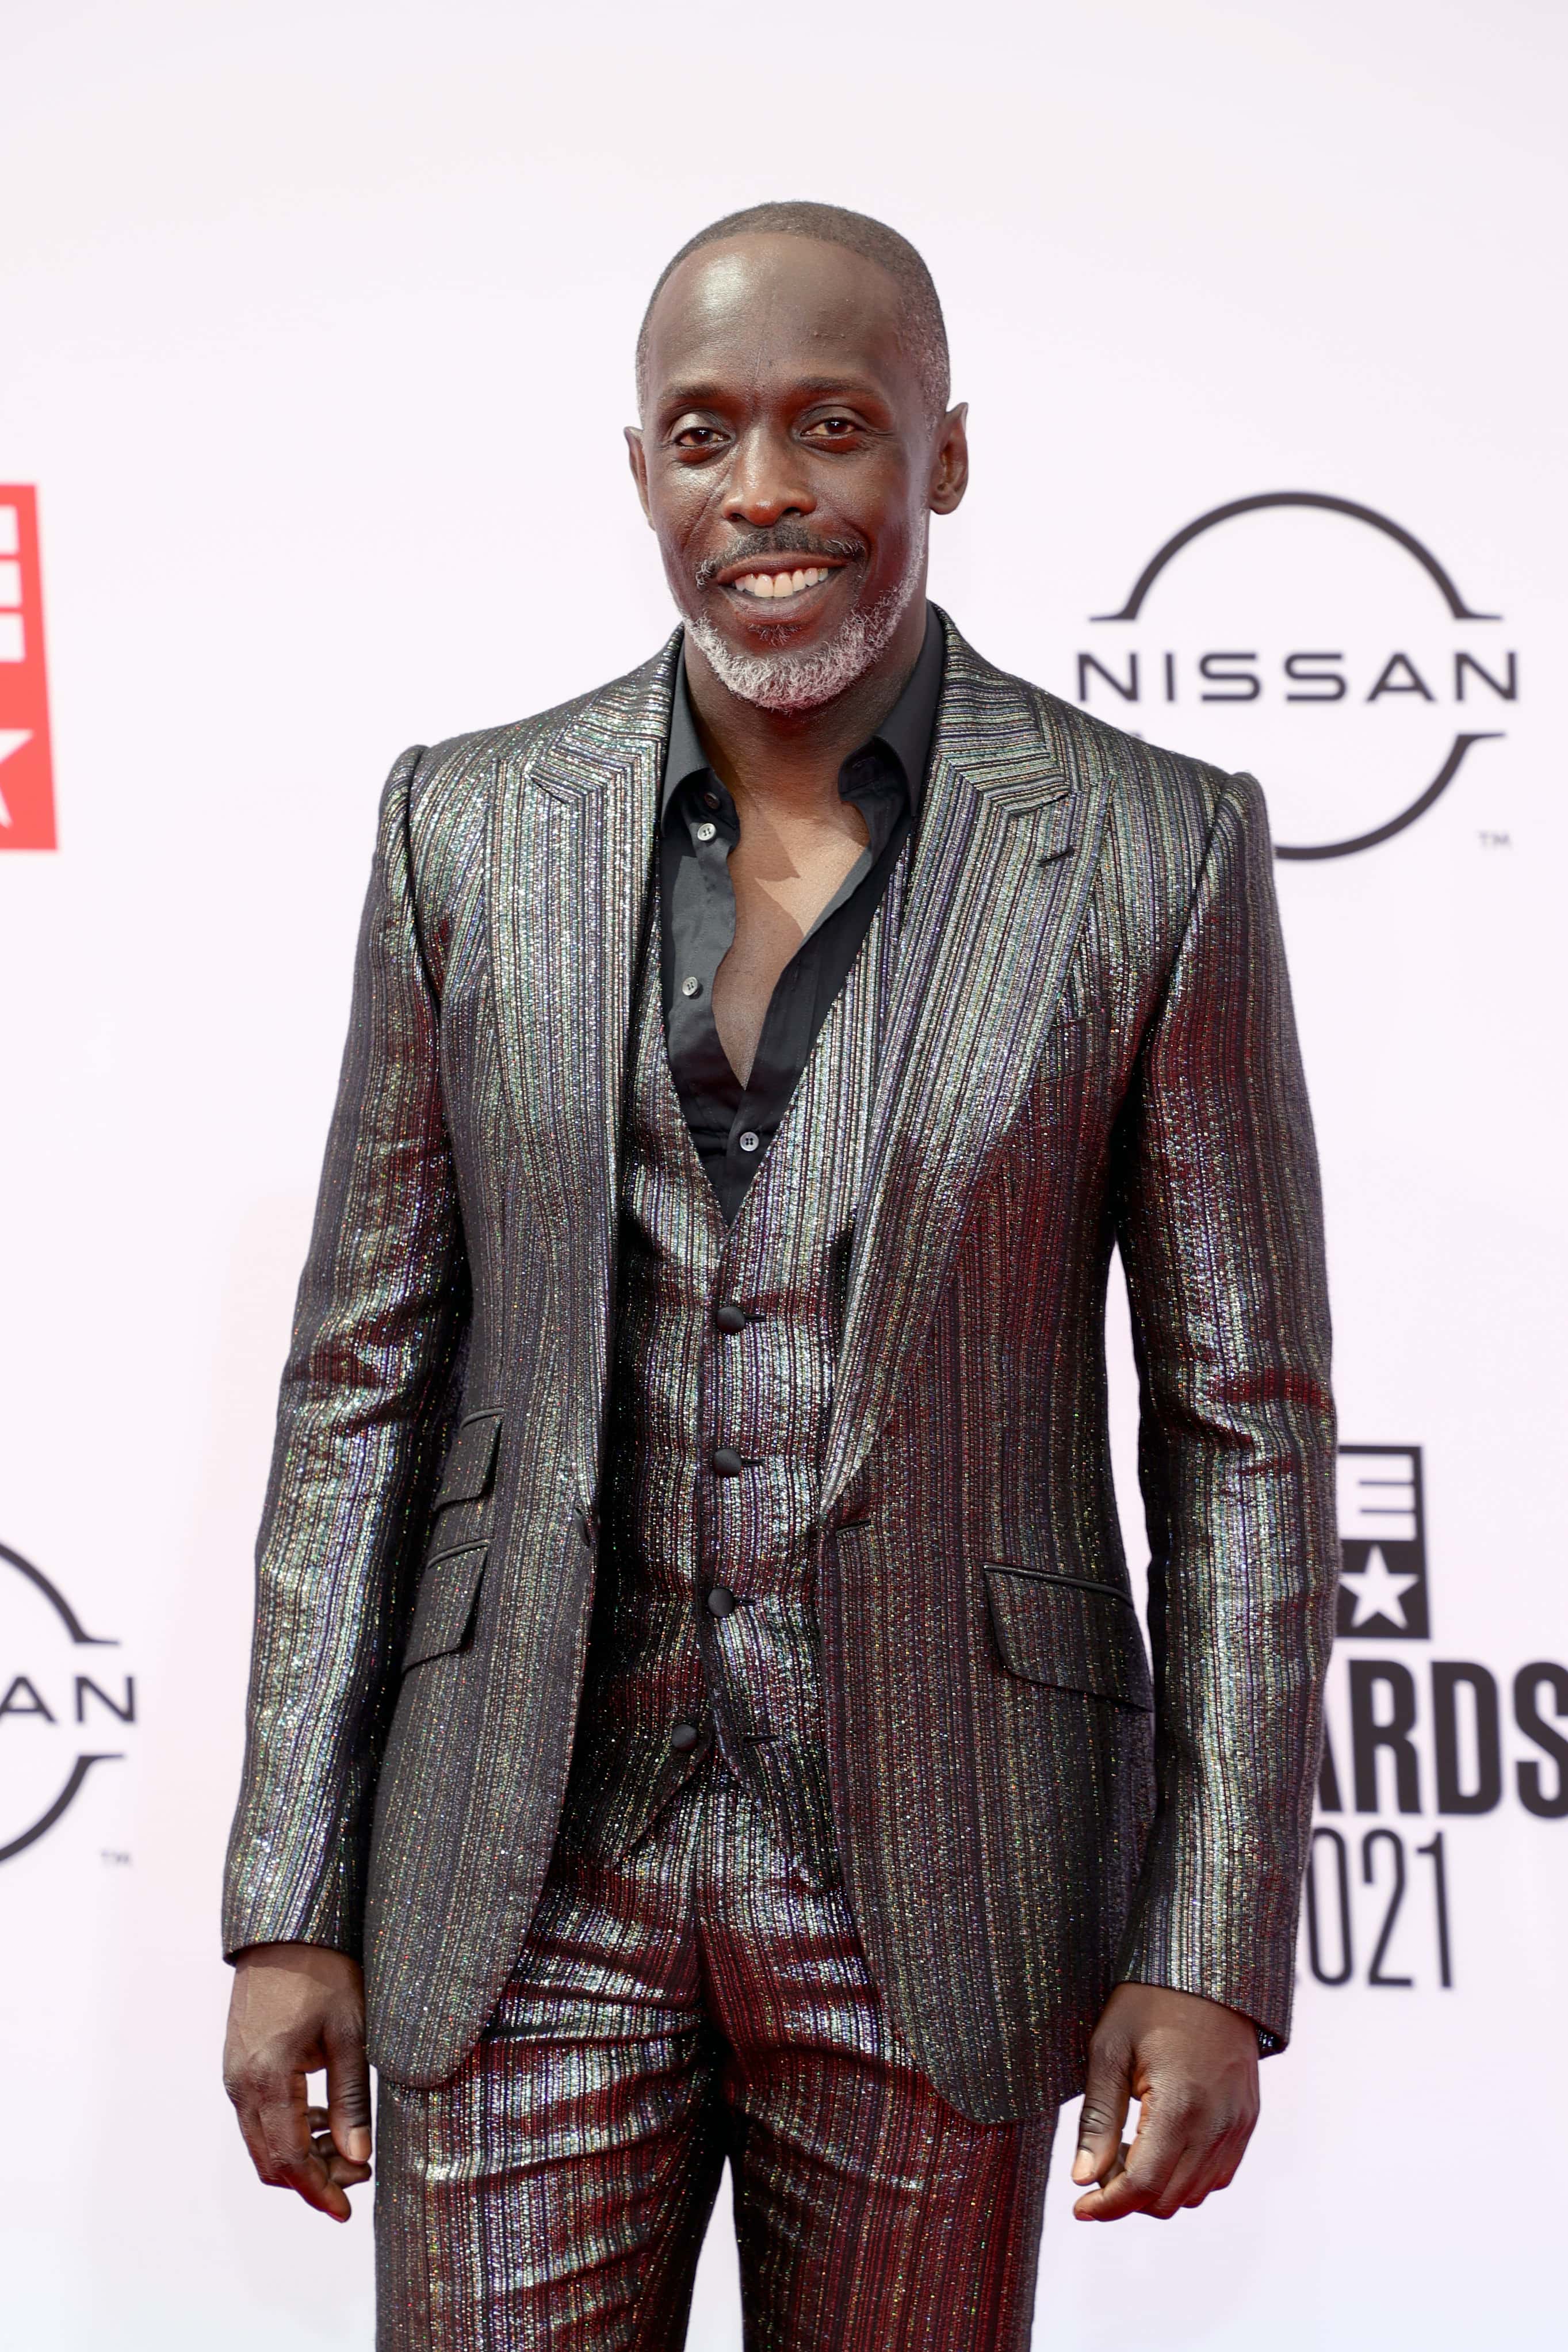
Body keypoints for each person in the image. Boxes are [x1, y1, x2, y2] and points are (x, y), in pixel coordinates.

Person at [222, 200, 1337, 2351]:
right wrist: (288, 1886)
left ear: (946, 453)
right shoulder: (467, 827)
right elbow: (360, 1380)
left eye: (834, 425)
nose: (764, 490)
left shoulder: (1151, 847)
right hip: (520, 1882)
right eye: (704, 431)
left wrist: (1208, 1941)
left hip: (945, 1879)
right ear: (641, 466)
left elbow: (1247, 1436)